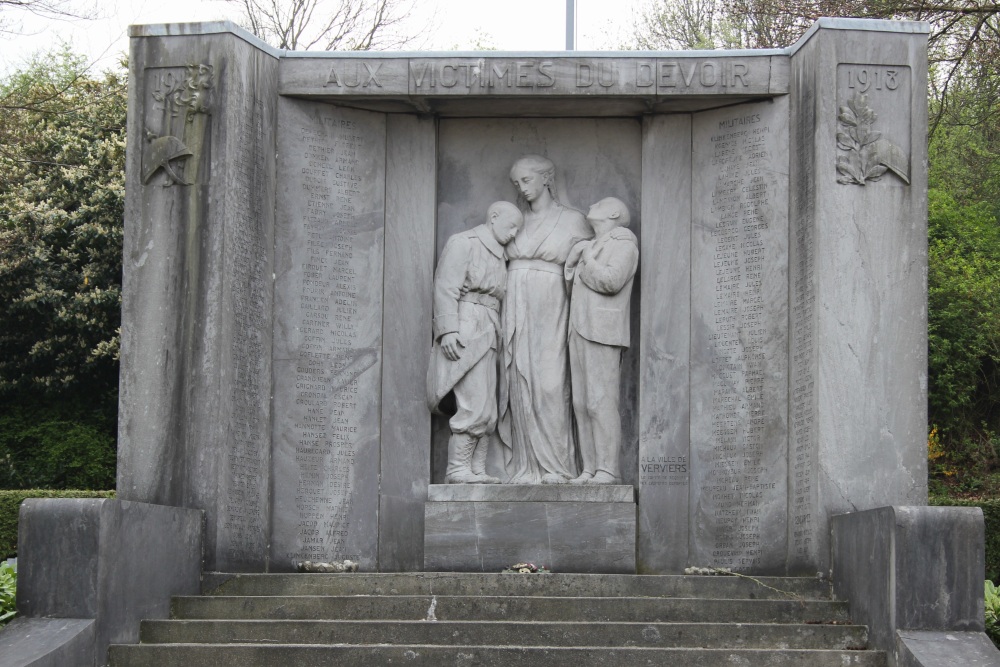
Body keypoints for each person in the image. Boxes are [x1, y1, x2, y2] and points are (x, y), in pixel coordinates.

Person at [498, 155, 592, 484]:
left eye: (526, 180)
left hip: (553, 303)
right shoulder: (514, 221)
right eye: (516, 183)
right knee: (518, 380)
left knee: (552, 383)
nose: (521, 188)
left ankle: (559, 466)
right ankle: (527, 466)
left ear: (546, 179)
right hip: (515, 305)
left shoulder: (573, 220)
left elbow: (588, 270)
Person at [427, 201, 524, 483]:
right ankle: (457, 469)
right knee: (473, 404)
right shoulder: (463, 242)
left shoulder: (500, 254)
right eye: (511, 225)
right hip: (467, 326)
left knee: (488, 409)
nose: (514, 233)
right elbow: (445, 286)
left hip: (490, 328)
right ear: (493, 217)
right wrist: (447, 330)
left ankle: (477, 470)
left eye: (519, 229)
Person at [564, 197, 638, 485]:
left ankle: (608, 470)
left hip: (603, 331)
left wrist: (585, 259)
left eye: (601, 203)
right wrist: (573, 263)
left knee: (600, 401)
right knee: (581, 403)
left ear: (615, 213)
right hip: (579, 328)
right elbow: (575, 287)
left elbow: (611, 281)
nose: (591, 204)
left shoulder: (624, 244)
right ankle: (589, 469)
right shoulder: (590, 245)